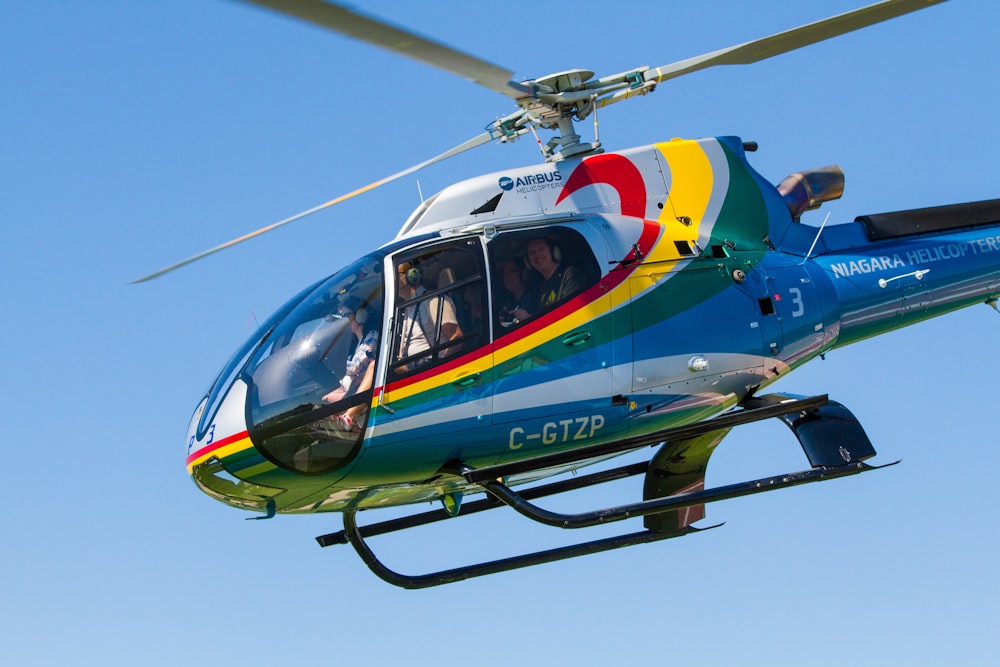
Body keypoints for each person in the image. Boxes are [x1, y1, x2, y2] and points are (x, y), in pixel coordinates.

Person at [320, 294, 378, 431]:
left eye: (346, 315)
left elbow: (355, 367)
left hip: (360, 388)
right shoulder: (354, 344)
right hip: (350, 387)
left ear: (360, 315)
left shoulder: (372, 335)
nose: (344, 321)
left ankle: (348, 418)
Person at [395, 261, 463, 366]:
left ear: (412, 275)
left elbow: (456, 337)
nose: (393, 280)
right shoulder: (405, 312)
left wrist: (439, 367)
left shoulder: (433, 301)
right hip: (413, 373)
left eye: (397, 275)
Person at [526, 237, 584, 310]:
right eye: (532, 252)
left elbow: (571, 310)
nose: (537, 255)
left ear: (554, 251)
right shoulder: (539, 288)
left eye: (541, 249)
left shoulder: (569, 274)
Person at [497, 258, 535, 326]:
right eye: (505, 273)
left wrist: (529, 318)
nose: (507, 276)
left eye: (513, 271)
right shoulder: (508, 303)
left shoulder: (535, 297)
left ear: (524, 273)